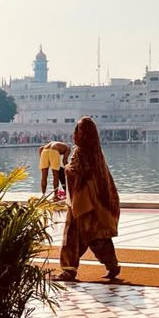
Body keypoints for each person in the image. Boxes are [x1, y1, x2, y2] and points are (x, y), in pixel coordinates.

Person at [54, 117, 121, 282]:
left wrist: (63, 165)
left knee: (72, 236)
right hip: (97, 203)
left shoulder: (80, 152)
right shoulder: (96, 152)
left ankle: (68, 270)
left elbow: (75, 172)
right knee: (99, 236)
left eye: (77, 131)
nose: (74, 134)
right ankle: (112, 265)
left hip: (83, 203)